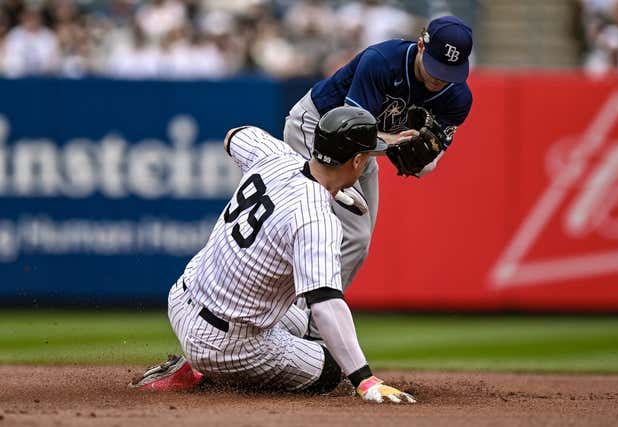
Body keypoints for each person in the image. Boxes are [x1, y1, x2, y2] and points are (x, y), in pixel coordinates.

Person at [131, 106, 416, 404]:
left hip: (182, 299)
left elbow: (234, 136)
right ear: (357, 161)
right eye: (367, 155)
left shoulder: (275, 156)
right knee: (330, 369)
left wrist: (331, 187)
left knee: (296, 320)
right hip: (223, 344)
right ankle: (201, 373)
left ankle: (200, 361)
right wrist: (364, 379)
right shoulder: (316, 218)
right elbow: (326, 304)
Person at [283, 15, 473, 338]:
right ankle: (305, 328)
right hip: (317, 131)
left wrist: (421, 155)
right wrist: (396, 142)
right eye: (436, 65)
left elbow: (428, 161)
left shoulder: (457, 98)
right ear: (421, 44)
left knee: (359, 239)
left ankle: (304, 322)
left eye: (450, 72)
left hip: (364, 151)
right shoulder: (382, 61)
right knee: (342, 234)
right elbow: (350, 128)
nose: (441, 79)